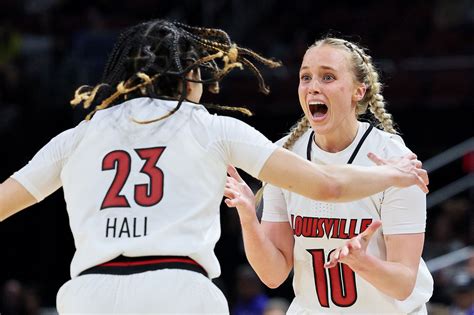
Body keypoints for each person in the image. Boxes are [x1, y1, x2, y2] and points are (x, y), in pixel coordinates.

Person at [0, 19, 428, 314]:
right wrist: (396, 173)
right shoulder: (211, 127)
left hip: (87, 294)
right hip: (177, 290)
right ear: (189, 77)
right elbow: (328, 186)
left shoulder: (80, 134)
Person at [224, 37, 434, 314]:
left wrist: (362, 262)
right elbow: (273, 275)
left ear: (359, 91)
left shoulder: (394, 161)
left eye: (328, 77)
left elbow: (403, 284)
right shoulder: (285, 154)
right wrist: (249, 217)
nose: (313, 87)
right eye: (306, 77)